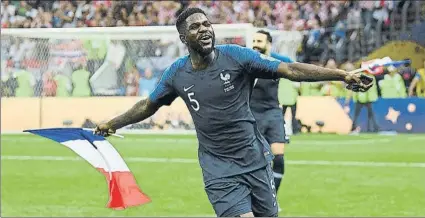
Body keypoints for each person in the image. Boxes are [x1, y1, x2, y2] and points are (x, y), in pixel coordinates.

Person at [95, 7, 372, 217]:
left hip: (255, 158)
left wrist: (342, 75)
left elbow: (290, 70)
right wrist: (113, 123)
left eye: (207, 24)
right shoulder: (177, 73)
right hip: (219, 169)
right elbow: (148, 104)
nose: (204, 29)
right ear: (183, 37)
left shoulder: (237, 56)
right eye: (195, 27)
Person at [249, 30, 292, 212]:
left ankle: (272, 199)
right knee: (255, 160)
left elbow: (297, 68)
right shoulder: (247, 61)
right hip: (253, 114)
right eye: (254, 40)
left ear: (268, 44)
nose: (256, 43)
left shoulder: (277, 61)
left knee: (279, 159)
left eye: (259, 41)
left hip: (273, 113)